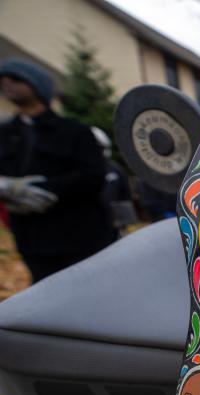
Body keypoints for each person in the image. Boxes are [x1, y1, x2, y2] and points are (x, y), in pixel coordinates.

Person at [0, 58, 114, 282]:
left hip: (79, 236)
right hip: (32, 238)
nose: (6, 83)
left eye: (15, 78)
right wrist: (8, 188)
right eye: (3, 79)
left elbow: (93, 176)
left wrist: (43, 189)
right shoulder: (4, 134)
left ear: (36, 85)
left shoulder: (74, 132)